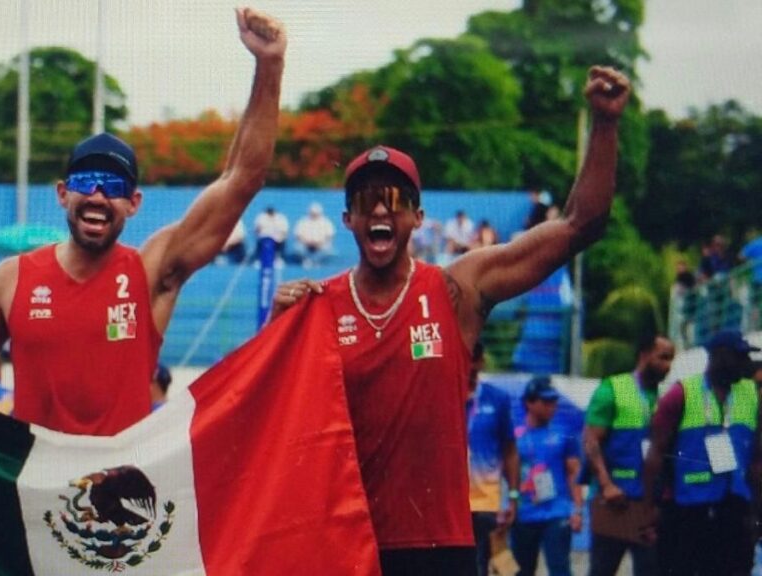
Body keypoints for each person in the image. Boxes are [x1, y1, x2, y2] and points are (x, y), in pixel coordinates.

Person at [0, 7, 287, 435]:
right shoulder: (12, 279)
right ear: (63, 193)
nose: (98, 194)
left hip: (121, 490)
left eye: (114, 187)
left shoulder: (152, 270)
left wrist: (269, 65)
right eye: (87, 181)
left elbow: (239, 180)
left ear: (133, 203)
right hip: (37, 495)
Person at [270, 66, 630, 574]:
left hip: (438, 545)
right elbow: (273, 415)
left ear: (419, 217)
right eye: (365, 200)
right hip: (344, 543)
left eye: (395, 201)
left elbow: (580, 225)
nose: (380, 210)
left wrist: (606, 124)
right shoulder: (317, 304)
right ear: (347, 219)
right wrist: (275, 325)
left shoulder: (456, 289)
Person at [642, 329, 760, 576]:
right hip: (687, 508)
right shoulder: (681, 394)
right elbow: (656, 455)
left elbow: (757, 459)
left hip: (734, 509)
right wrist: (650, 508)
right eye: (739, 357)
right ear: (718, 357)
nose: (745, 364)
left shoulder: (751, 395)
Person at [582, 334, 675, 576]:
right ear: (644, 355)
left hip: (647, 505)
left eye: (671, 359)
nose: (668, 366)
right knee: (602, 570)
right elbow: (591, 441)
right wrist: (606, 485)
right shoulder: (612, 388)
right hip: (614, 501)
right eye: (663, 357)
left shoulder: (667, 397)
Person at [512, 376, 583, 576]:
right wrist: (509, 505)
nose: (552, 406)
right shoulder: (515, 436)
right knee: (521, 570)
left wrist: (577, 509)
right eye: (546, 401)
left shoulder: (563, 434)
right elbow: (508, 475)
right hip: (524, 513)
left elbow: (573, 473)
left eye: (554, 401)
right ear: (530, 403)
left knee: (560, 568)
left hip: (557, 512)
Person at [467, 342, 520, 576]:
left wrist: (513, 497)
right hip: (452, 505)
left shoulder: (497, 399)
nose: (465, 365)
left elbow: (510, 450)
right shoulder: (442, 395)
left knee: (485, 566)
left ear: (480, 362)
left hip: (486, 502)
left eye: (470, 359)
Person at [293, 202, 336, 267]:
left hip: (321, 244)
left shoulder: (326, 222)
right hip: (306, 244)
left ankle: (316, 261)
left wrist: (319, 243)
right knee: (298, 247)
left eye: (316, 213)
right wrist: (307, 242)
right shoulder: (303, 222)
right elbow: (298, 235)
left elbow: (330, 236)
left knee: (327, 248)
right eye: (313, 213)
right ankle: (306, 260)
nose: (314, 214)